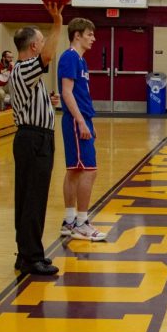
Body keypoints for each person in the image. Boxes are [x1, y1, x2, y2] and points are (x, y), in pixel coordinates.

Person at [10, 2, 63, 276]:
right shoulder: (25, 67)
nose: (45, 46)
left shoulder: (24, 71)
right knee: (34, 198)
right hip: (33, 139)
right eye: (42, 42)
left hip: (32, 137)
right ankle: (32, 257)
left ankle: (24, 253)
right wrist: (57, 23)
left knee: (27, 197)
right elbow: (48, 57)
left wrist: (49, 102)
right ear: (33, 47)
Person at [58, 17, 107, 242]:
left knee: (75, 170)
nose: (93, 39)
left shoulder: (81, 61)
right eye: (90, 35)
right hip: (76, 120)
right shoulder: (70, 58)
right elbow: (67, 92)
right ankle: (81, 221)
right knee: (89, 170)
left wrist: (86, 119)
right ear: (77, 35)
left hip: (81, 118)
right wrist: (80, 121)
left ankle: (69, 221)